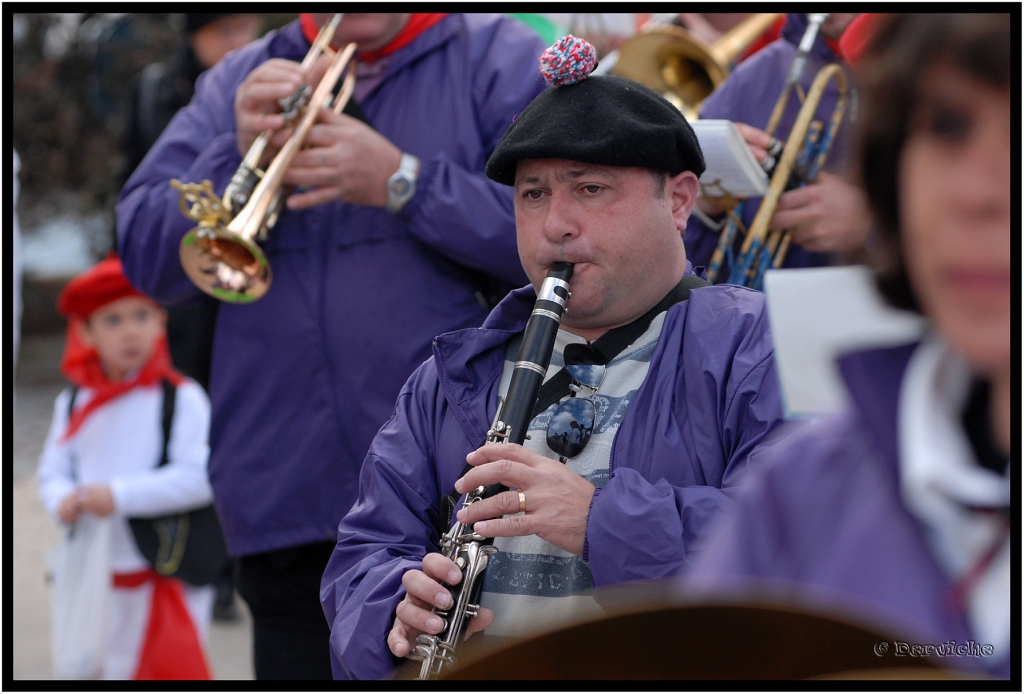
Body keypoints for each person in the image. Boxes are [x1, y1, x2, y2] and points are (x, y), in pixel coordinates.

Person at [319, 36, 787, 680]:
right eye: (532, 195)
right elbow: (365, 551)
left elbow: (799, 541)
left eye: (590, 189)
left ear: (679, 201)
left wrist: (602, 520)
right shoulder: (453, 374)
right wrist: (393, 610)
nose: (555, 225)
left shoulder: (761, 348)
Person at [116, 13, 548, 680]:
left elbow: (567, 240)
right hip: (284, 491)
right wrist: (235, 148)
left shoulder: (498, 54)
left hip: (453, 488)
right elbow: (147, 257)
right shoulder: (239, 77)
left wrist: (405, 183)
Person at [684, 13, 1010, 679]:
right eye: (946, 127)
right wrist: (712, 200)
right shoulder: (798, 491)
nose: (981, 192)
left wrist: (865, 224)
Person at [121, 11, 263, 625]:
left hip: (247, 290)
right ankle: (200, 558)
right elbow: (132, 187)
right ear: (192, 38)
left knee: (236, 428)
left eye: (245, 30)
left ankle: (230, 566)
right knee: (188, 432)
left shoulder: (280, 78)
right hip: (184, 300)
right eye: (221, 32)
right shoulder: (162, 92)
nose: (236, 43)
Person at [37, 257, 215, 680]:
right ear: (86, 333)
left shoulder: (181, 397)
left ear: (160, 322)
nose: (131, 331)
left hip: (166, 572)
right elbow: (53, 468)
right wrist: (61, 499)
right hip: (96, 571)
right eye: (112, 320)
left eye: (140, 315)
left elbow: (200, 477)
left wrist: (117, 495)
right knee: (98, 668)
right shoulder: (74, 403)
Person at [686, 13, 872, 279]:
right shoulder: (754, 75)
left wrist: (871, 228)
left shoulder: (932, 69)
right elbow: (682, 265)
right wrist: (701, 206)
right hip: (753, 312)